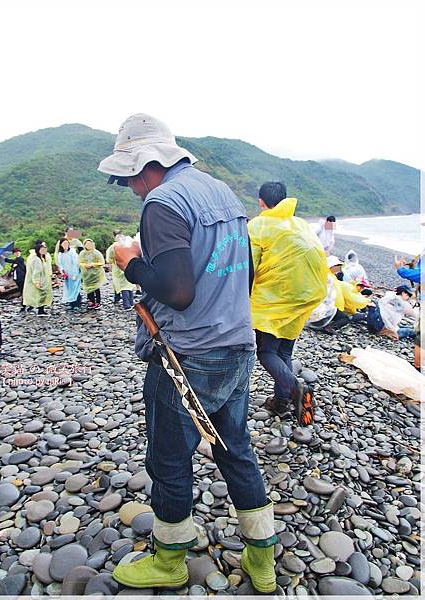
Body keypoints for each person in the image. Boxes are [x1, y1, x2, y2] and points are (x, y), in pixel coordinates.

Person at [98, 113, 277, 593]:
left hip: (186, 356)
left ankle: (170, 559)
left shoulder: (162, 203)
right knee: (234, 449)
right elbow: (245, 273)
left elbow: (177, 291)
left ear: (145, 165)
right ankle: (262, 559)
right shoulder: (223, 194)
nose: (130, 187)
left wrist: (130, 261)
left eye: (128, 177)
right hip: (236, 345)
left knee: (170, 459)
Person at [248, 181, 328, 419]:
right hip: (305, 297)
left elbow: (250, 267)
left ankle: (297, 389)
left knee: (266, 352)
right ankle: (281, 402)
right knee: (284, 351)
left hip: (274, 300)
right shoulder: (301, 225)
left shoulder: (258, 225)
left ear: (261, 202)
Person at [106, 232, 135, 310]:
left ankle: (127, 304)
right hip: (128, 265)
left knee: (123, 286)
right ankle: (130, 303)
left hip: (118, 267)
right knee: (128, 284)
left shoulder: (112, 247)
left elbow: (109, 259)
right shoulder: (128, 245)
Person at [23, 242, 53, 316]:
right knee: (41, 294)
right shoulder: (37, 259)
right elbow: (36, 271)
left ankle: (41, 309)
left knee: (43, 294)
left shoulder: (42, 258)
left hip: (44, 279)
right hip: (40, 280)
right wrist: (36, 281)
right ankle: (40, 310)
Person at [78, 238, 106, 309]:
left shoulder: (96, 253)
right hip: (86, 275)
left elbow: (102, 262)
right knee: (89, 289)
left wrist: (93, 264)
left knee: (96, 288)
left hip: (96, 274)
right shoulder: (82, 253)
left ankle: (98, 302)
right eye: (87, 244)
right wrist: (85, 265)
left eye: (90, 244)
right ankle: (91, 301)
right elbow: (79, 262)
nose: (88, 245)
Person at [58, 238, 82, 310]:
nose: (65, 245)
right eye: (63, 243)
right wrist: (62, 272)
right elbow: (60, 264)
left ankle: (77, 304)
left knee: (75, 288)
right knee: (69, 288)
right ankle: (71, 303)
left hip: (74, 272)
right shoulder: (60, 253)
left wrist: (75, 274)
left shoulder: (72, 252)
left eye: (66, 243)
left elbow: (75, 263)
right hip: (67, 274)